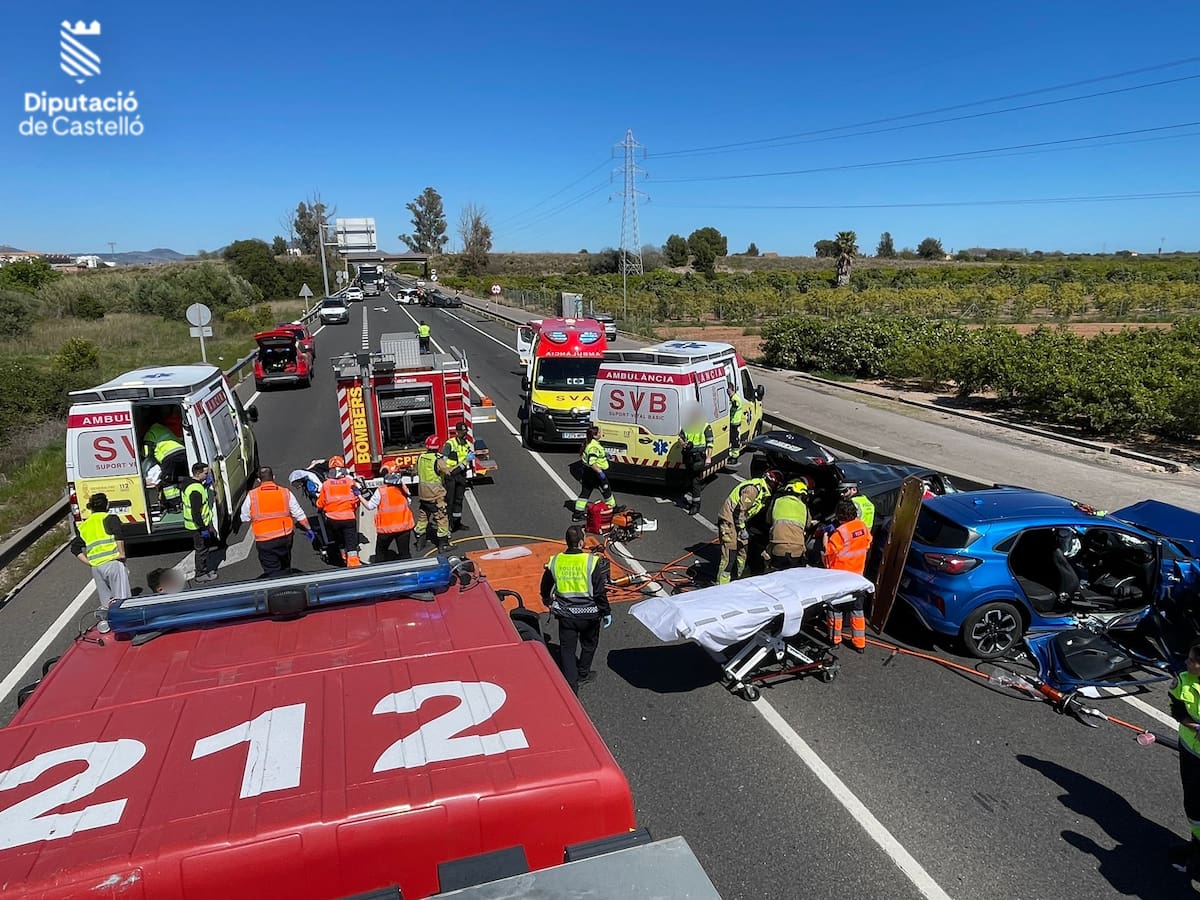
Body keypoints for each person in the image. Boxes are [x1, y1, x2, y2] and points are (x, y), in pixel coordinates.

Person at [541, 525, 611, 695]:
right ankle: (583, 673)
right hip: (590, 614)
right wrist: (606, 611)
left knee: (567, 649)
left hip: (566, 615)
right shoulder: (591, 561)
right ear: (581, 542)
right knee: (589, 644)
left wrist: (546, 599)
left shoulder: (556, 561)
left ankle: (571, 686)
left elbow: (545, 585)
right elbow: (600, 591)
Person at [241, 466, 313, 577]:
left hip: (265, 540)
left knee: (272, 571)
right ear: (273, 477)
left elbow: (244, 517)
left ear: (259, 480)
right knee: (285, 565)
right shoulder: (285, 492)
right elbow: (298, 513)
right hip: (285, 537)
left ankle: (279, 590)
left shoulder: (252, 495)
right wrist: (308, 529)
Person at [822, 498, 872, 651]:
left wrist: (825, 538)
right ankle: (859, 643)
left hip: (839, 578)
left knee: (835, 609)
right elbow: (868, 542)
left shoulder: (840, 533)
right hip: (857, 577)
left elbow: (828, 552)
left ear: (839, 516)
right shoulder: (862, 527)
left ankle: (834, 639)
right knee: (857, 611)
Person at [1169, 643, 1200, 877]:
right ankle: (1195, 844)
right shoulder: (1182, 680)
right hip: (1190, 751)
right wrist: (1195, 726)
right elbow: (1178, 711)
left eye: (1193, 661)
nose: (1187, 663)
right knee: (1192, 803)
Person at [71, 493, 130, 612]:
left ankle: (109, 625)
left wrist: (90, 562)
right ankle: (127, 624)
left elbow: (75, 548)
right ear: (107, 505)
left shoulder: (84, 526)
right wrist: (122, 553)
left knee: (106, 604)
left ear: (91, 508)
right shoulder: (110, 518)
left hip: (97, 568)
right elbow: (118, 534)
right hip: (113, 563)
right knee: (123, 601)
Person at [716, 472, 777, 585]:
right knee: (729, 556)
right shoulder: (753, 490)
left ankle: (739, 581)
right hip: (729, 522)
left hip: (738, 523)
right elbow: (739, 511)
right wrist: (742, 529)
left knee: (742, 553)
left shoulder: (764, 492)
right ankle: (721, 586)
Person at [317, 455, 364, 567]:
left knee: (340, 540)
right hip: (348, 518)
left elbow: (320, 504)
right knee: (351, 543)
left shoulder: (326, 485)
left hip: (333, 520)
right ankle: (353, 563)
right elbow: (357, 499)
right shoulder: (350, 482)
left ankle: (343, 558)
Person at [365, 468, 416, 560]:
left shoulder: (381, 491)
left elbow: (370, 506)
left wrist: (359, 495)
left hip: (386, 529)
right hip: (404, 527)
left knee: (380, 554)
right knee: (405, 553)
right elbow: (408, 502)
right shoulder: (403, 489)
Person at [415, 434, 452, 553]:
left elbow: (415, 471)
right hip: (436, 496)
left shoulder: (421, 457)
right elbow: (448, 472)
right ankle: (443, 544)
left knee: (423, 517)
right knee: (442, 519)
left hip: (423, 495)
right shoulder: (438, 459)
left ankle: (420, 542)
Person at [182, 462, 219, 582]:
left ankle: (204, 570)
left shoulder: (190, 483)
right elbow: (196, 512)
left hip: (196, 524)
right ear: (198, 473)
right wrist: (203, 528)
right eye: (205, 473)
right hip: (197, 526)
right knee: (201, 550)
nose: (207, 475)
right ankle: (200, 574)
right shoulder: (196, 490)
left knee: (203, 549)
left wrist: (205, 486)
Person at [573, 425, 614, 522]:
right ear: (595, 436)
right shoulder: (593, 447)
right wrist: (600, 473)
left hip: (587, 473)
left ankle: (577, 513)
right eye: (599, 433)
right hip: (595, 473)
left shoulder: (591, 444)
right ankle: (613, 509)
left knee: (585, 493)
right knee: (606, 491)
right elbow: (592, 462)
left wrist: (604, 455)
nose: (600, 434)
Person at [768, 478, 810, 570]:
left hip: (778, 547)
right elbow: (808, 525)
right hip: (797, 550)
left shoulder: (777, 501)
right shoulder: (804, 507)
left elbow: (768, 520)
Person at [441, 422, 474, 532]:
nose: (464, 434)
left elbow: (466, 456)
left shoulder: (466, 444)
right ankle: (449, 524)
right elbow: (444, 461)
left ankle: (457, 523)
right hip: (451, 475)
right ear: (457, 432)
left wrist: (469, 459)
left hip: (461, 475)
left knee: (459, 500)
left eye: (465, 432)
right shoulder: (450, 444)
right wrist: (456, 466)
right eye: (462, 432)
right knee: (450, 500)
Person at [678, 416, 714, 516]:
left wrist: (708, 457)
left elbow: (710, 443)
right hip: (688, 457)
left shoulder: (705, 427)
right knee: (690, 477)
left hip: (699, 458)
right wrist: (683, 443)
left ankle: (696, 505)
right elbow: (680, 437)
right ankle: (694, 496)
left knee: (695, 480)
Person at [727, 382, 746, 465]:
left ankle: (735, 457)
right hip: (732, 423)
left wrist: (731, 402)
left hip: (735, 423)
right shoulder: (733, 397)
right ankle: (731, 455)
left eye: (728, 391)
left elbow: (736, 405)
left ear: (731, 389)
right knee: (731, 439)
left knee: (735, 440)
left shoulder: (735, 398)